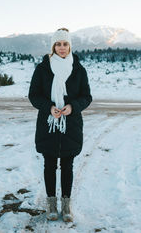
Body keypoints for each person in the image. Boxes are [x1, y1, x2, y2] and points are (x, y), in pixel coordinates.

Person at [28, 28, 92, 222]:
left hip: (70, 125)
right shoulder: (42, 68)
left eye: (65, 44)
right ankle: (51, 204)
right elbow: (34, 95)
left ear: (69, 46)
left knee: (67, 165)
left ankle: (66, 205)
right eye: (58, 44)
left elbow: (87, 97)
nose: (62, 48)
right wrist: (49, 107)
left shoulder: (79, 69)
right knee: (49, 165)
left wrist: (74, 106)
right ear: (53, 46)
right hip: (49, 124)